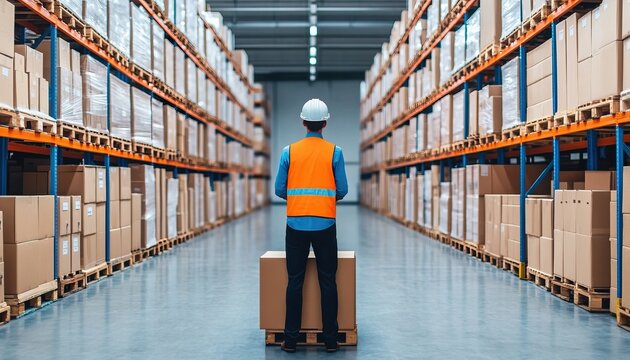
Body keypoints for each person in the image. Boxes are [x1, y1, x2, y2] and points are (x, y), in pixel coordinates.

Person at [274, 98, 348, 353]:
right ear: (324, 123)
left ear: (303, 122)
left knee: (295, 280)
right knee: (328, 280)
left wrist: (299, 199)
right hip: (326, 224)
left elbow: (279, 189)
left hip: (295, 223)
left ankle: (291, 340)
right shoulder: (335, 152)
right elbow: (343, 190)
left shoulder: (288, 152)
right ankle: (330, 340)